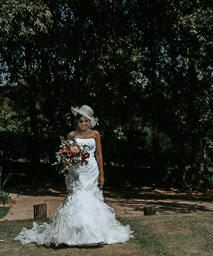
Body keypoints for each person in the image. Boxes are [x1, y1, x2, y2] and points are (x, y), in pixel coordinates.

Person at [16, 105, 133, 247]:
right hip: (77, 171)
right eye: (81, 121)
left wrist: (102, 174)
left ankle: (93, 232)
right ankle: (77, 233)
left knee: (89, 196)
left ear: (89, 121)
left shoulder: (95, 134)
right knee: (78, 196)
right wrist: (66, 164)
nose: (84, 124)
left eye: (86, 121)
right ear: (77, 122)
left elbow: (99, 155)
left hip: (91, 169)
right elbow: (66, 154)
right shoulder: (71, 135)